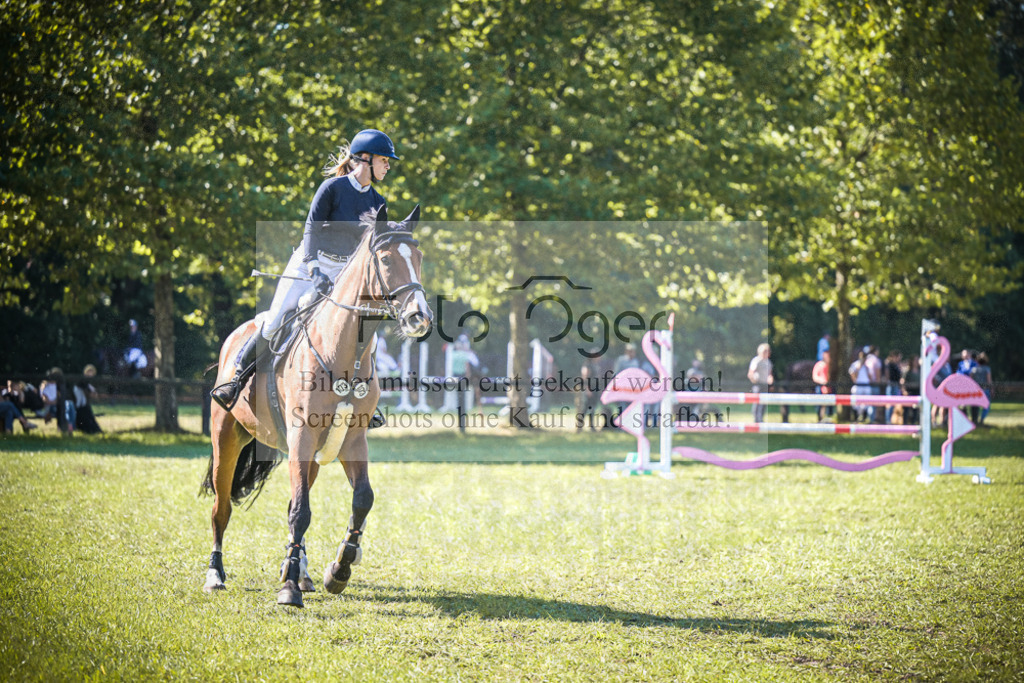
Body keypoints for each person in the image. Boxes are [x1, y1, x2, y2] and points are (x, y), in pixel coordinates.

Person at [212, 129, 400, 410]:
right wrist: (314, 269)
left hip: (343, 273)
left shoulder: (378, 201)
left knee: (365, 335)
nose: (388, 166)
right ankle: (236, 379)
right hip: (310, 262)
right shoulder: (332, 188)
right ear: (365, 159)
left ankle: (362, 399)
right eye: (384, 160)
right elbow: (311, 228)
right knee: (276, 319)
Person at [747, 343, 773, 423]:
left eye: (767, 351)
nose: (767, 353)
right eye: (765, 351)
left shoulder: (768, 362)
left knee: (764, 403)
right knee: (757, 402)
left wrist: (770, 379)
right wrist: (754, 380)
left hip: (765, 385)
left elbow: (769, 374)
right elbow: (751, 373)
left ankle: (761, 419)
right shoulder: (756, 361)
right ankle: (756, 420)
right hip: (758, 385)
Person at [848, 348, 876, 422]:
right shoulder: (855, 364)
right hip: (858, 385)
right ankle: (856, 417)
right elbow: (854, 376)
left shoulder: (868, 366)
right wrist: (859, 367)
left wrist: (866, 368)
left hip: (866, 386)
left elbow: (870, 377)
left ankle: (864, 418)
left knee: (866, 403)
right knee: (856, 403)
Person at [74, 364, 103, 434]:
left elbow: (92, 392)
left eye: (91, 372)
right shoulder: (82, 381)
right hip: (80, 405)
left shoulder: (88, 383)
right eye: (89, 372)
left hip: (84, 405)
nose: (90, 374)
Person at [971, 353, 993, 425]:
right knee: (986, 405)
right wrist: (992, 389)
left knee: (975, 405)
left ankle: (975, 419)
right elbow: (989, 381)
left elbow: (971, 380)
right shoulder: (987, 369)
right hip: (985, 389)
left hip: (976, 390)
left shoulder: (974, 369)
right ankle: (982, 419)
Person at [884, 350, 903, 424]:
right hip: (891, 384)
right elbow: (888, 375)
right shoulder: (889, 364)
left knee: (894, 404)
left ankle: (891, 420)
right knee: (890, 403)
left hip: (895, 385)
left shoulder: (896, 364)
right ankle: (888, 420)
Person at [812, 350, 831, 422]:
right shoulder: (819, 365)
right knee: (820, 404)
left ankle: (826, 418)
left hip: (829, 388)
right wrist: (822, 381)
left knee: (828, 404)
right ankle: (820, 419)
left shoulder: (830, 365)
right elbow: (815, 376)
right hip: (820, 387)